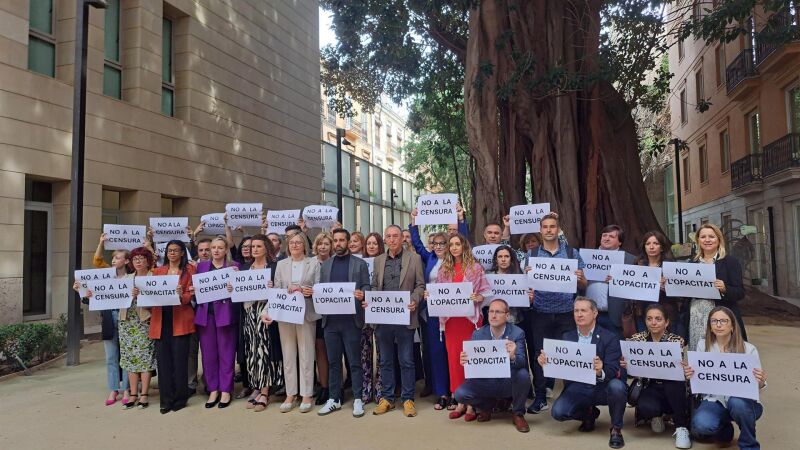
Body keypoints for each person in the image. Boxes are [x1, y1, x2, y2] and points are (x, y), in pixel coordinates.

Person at [540, 297, 627, 449]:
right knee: (558, 412)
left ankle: (616, 429)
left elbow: (613, 370)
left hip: (603, 386)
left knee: (618, 387)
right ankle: (589, 414)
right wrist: (547, 364)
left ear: (595, 313)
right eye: (576, 311)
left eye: (583, 311)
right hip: (578, 387)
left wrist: (600, 371)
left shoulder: (609, 337)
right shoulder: (567, 337)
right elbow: (562, 367)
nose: (579, 314)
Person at [425, 233, 490, 421]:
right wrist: (431, 296)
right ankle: (460, 400)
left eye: (457, 244)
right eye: (451, 244)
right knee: (454, 359)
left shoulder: (475, 268)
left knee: (469, 359)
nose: (454, 247)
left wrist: (479, 297)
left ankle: (471, 404)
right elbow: (439, 293)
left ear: (464, 246)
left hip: (469, 321)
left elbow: (485, 291)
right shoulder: (444, 269)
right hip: (451, 321)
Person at [527, 214, 587, 414]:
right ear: (540, 230)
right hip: (540, 313)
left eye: (552, 226)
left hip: (566, 313)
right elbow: (526, 285)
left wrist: (580, 278)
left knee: (569, 355)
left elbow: (584, 284)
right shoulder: (532, 254)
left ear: (558, 229)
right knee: (539, 355)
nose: (549, 230)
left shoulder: (571, 253)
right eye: (545, 227)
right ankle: (540, 397)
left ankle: (571, 396)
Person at [683, 306, 766, 450]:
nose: (718, 324)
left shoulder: (748, 349)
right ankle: (725, 430)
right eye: (714, 321)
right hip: (714, 400)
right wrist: (691, 375)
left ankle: (749, 445)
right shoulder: (703, 346)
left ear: (732, 325)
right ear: (710, 326)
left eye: (723, 321)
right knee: (702, 425)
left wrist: (761, 381)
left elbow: (757, 387)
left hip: (743, 402)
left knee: (737, 403)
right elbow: (701, 379)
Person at [370, 225, 426, 417]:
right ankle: (387, 398)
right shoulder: (378, 260)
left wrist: (415, 299)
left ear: (402, 238)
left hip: (405, 317)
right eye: (389, 236)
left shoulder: (414, 258)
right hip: (383, 319)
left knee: (406, 360)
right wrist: (372, 300)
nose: (392, 239)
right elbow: (374, 286)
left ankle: (408, 399)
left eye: (396, 236)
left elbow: (420, 285)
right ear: (385, 240)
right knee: (385, 361)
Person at [316, 228, 371, 417]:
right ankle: (334, 399)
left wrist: (363, 293)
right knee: (333, 362)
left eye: (342, 240)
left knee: (354, 363)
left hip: (351, 322)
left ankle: (358, 399)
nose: (338, 243)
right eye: (336, 240)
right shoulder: (325, 265)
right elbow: (322, 290)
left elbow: (367, 285)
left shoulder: (359, 264)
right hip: (330, 322)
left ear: (348, 242)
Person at [72, 233, 131, 406]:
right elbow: (92, 297)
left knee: (127, 355)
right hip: (108, 319)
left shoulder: (132, 277)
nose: (113, 261)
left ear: (126, 261)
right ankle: (114, 388)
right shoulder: (105, 277)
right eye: (113, 258)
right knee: (111, 356)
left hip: (127, 319)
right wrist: (82, 291)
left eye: (117, 258)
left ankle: (127, 388)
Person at [454, 298, 531, 432]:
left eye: (498, 312)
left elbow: (521, 362)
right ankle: (487, 407)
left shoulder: (517, 333)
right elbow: (473, 368)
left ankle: (518, 413)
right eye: (491, 311)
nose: (493, 315)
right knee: (460, 394)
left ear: (507, 315)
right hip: (487, 382)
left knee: (523, 375)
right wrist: (465, 361)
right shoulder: (478, 334)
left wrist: (513, 355)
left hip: (507, 381)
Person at [620, 304, 690, 448]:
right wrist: (627, 365)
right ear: (645, 321)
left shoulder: (676, 341)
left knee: (673, 384)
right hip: (649, 385)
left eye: (658, 319)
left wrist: (684, 368)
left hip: (672, 386)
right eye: (649, 319)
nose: (653, 322)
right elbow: (634, 371)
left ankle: (681, 427)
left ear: (666, 322)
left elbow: (679, 372)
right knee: (646, 406)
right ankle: (657, 416)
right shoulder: (637, 339)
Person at [273, 231, 320, 413]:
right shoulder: (281, 264)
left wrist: (307, 290)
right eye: (292, 242)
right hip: (286, 313)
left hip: (306, 312)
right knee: (288, 354)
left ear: (304, 246)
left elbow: (318, 286)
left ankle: (307, 393)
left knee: (306, 353)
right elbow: (277, 288)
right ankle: (291, 393)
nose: (294, 245)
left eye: (298, 242)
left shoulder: (313, 263)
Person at [193, 237, 240, 409]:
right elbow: (196, 290)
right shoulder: (201, 267)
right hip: (206, 316)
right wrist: (194, 289)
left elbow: (241, 292)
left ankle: (226, 390)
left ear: (226, 249)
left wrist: (234, 288)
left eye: (220, 247)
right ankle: (213, 389)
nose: (216, 250)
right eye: (213, 247)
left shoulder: (234, 267)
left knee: (227, 354)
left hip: (226, 316)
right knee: (208, 355)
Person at [150, 240, 195, 414]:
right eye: (169, 250)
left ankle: (180, 398)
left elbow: (191, 294)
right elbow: (151, 294)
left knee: (180, 361)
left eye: (176, 250)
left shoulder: (190, 270)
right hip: (161, 320)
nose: (172, 253)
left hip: (181, 319)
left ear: (182, 253)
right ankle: (166, 400)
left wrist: (182, 295)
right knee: (163, 363)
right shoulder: (158, 271)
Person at [688, 224, 747, 352]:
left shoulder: (730, 262)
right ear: (698, 240)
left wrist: (725, 289)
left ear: (719, 239)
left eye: (711, 236)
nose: (707, 240)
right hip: (696, 319)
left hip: (722, 317)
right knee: (699, 354)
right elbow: (685, 294)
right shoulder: (691, 264)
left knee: (724, 354)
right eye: (703, 237)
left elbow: (740, 292)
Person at [240, 234, 279, 412]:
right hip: (249, 313)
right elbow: (240, 293)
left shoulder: (273, 268)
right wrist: (233, 288)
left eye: (258, 246)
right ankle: (256, 386)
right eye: (252, 246)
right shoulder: (244, 269)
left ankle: (265, 391)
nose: (254, 249)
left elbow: (279, 291)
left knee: (264, 350)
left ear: (266, 248)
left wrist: (273, 288)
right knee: (252, 350)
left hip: (265, 312)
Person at [117, 246, 158, 410]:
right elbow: (109, 295)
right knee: (130, 359)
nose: (138, 261)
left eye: (142, 258)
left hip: (145, 322)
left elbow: (159, 299)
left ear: (148, 261)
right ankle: (133, 393)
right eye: (135, 259)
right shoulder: (125, 278)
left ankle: (144, 394)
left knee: (145, 358)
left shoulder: (154, 277)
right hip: (126, 323)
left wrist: (141, 295)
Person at [584, 225, 636, 340]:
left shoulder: (631, 260)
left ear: (620, 242)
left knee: (614, 348)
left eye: (611, 236)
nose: (606, 239)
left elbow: (636, 288)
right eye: (604, 235)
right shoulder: (586, 257)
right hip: (589, 316)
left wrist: (619, 281)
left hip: (615, 317)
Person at [635, 231, 683, 338]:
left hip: (666, 312)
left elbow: (681, 292)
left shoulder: (671, 266)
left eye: (656, 243)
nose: (651, 247)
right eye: (648, 244)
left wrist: (668, 288)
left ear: (661, 247)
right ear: (644, 247)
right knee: (645, 344)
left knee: (666, 344)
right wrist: (615, 280)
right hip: (643, 313)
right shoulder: (637, 264)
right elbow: (628, 286)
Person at [361, 231, 385, 404]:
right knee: (365, 352)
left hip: (381, 312)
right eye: (368, 243)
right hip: (363, 313)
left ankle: (380, 388)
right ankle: (366, 387)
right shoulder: (359, 263)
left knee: (382, 352)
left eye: (375, 243)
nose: (371, 246)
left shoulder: (385, 262)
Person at [311, 232, 334, 405]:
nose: (323, 247)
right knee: (320, 349)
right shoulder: (310, 263)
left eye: (326, 243)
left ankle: (335, 386)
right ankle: (324, 386)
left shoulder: (336, 261)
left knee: (334, 350)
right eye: (320, 244)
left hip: (335, 311)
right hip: (316, 312)